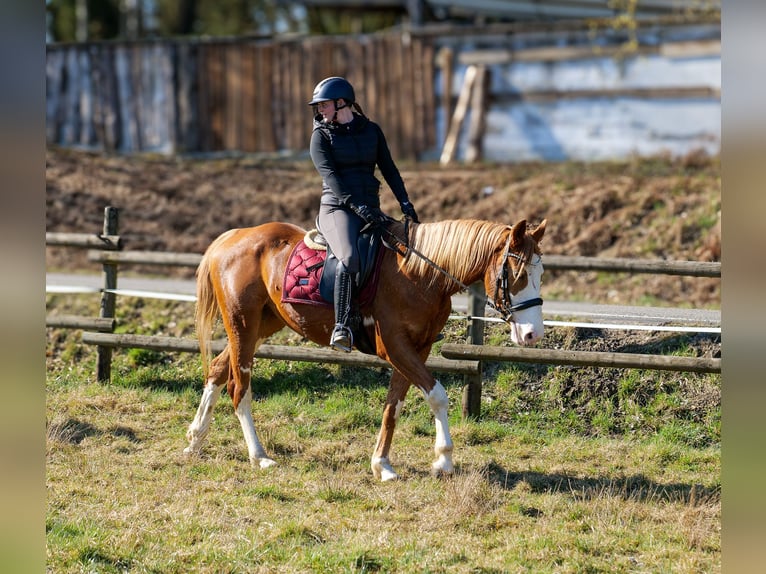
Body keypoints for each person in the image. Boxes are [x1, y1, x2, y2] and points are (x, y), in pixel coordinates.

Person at [308, 76, 419, 352]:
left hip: (370, 207)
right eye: (319, 106)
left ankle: (413, 321)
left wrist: (405, 203)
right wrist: (355, 206)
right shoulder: (320, 137)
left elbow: (389, 169)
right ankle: (342, 326)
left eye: (324, 105)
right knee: (348, 258)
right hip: (338, 209)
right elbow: (331, 177)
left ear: (341, 102)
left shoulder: (372, 131)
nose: (320, 110)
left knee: (405, 253)